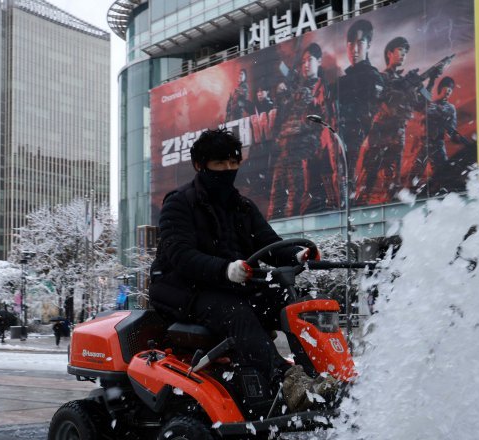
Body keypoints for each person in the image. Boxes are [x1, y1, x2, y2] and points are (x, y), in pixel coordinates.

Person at [149, 127, 336, 414]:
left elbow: (270, 244)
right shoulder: (179, 203)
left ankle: (320, 377)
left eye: (233, 163)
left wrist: (297, 254)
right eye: (219, 164)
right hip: (183, 293)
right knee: (235, 311)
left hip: (230, 288)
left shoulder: (243, 207)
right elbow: (181, 256)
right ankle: (287, 382)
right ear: (200, 165)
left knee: (299, 303)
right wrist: (225, 269)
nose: (228, 170)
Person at [355, 38, 454, 204]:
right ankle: (357, 211)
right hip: (380, 134)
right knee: (368, 179)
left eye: (406, 52)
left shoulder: (407, 81)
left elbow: (422, 105)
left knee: (393, 182)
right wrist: (405, 84)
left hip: (397, 135)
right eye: (400, 50)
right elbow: (378, 100)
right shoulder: (380, 77)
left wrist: (430, 81)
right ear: (389, 53)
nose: (403, 55)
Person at [268, 42, 336, 219]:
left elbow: (325, 121)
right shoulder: (296, 88)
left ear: (319, 61)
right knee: (276, 198)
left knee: (295, 199)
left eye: (310, 60)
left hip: (303, 152)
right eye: (303, 62)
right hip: (285, 149)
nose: (306, 65)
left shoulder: (323, 89)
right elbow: (283, 116)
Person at [337, 19, 385, 189]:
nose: (354, 50)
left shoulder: (373, 78)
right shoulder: (342, 82)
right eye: (350, 44)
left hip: (360, 146)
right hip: (340, 145)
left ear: (369, 45)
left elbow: (373, 117)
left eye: (360, 43)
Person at [420, 76, 475, 195]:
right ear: (441, 89)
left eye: (450, 91)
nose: (448, 93)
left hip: (437, 145)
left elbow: (452, 130)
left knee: (444, 173)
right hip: (423, 145)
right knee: (415, 174)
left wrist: (456, 137)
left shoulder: (450, 109)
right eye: (446, 89)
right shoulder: (429, 104)